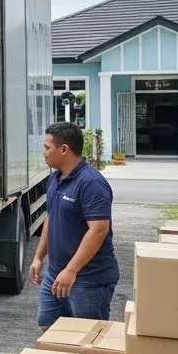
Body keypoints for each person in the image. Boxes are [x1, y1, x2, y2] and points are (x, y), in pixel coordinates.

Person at [29, 121, 119, 328]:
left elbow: (98, 230)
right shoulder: (55, 179)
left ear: (63, 150)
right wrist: (38, 257)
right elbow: (51, 218)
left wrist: (71, 270)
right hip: (56, 273)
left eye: (47, 147)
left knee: (86, 339)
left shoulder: (91, 183)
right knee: (48, 328)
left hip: (88, 280)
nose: (43, 152)